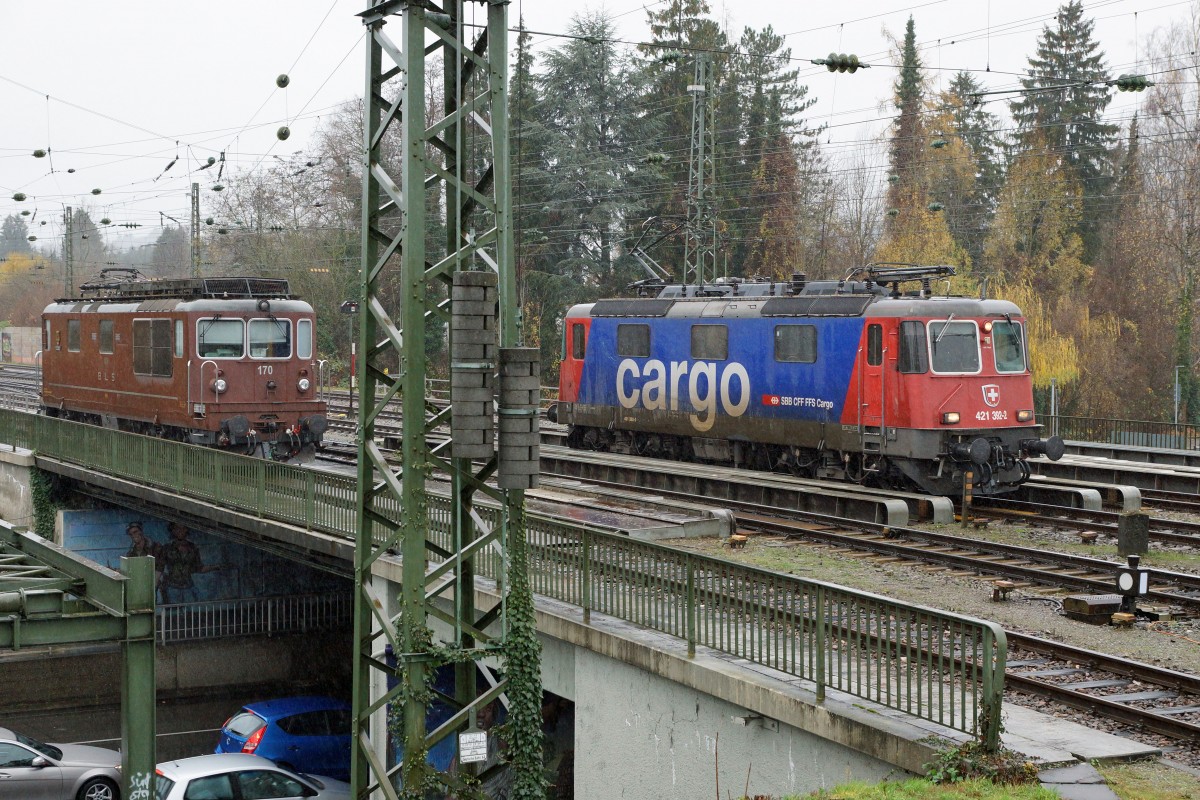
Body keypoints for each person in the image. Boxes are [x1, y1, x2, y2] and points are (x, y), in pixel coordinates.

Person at [159, 522, 220, 604]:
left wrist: (216, 567)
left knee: (190, 612)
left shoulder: (193, 548)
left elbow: (198, 568)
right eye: (177, 528)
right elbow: (160, 568)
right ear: (173, 530)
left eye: (183, 528)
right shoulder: (167, 548)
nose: (180, 531)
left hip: (188, 586)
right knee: (174, 613)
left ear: (186, 530)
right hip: (172, 587)